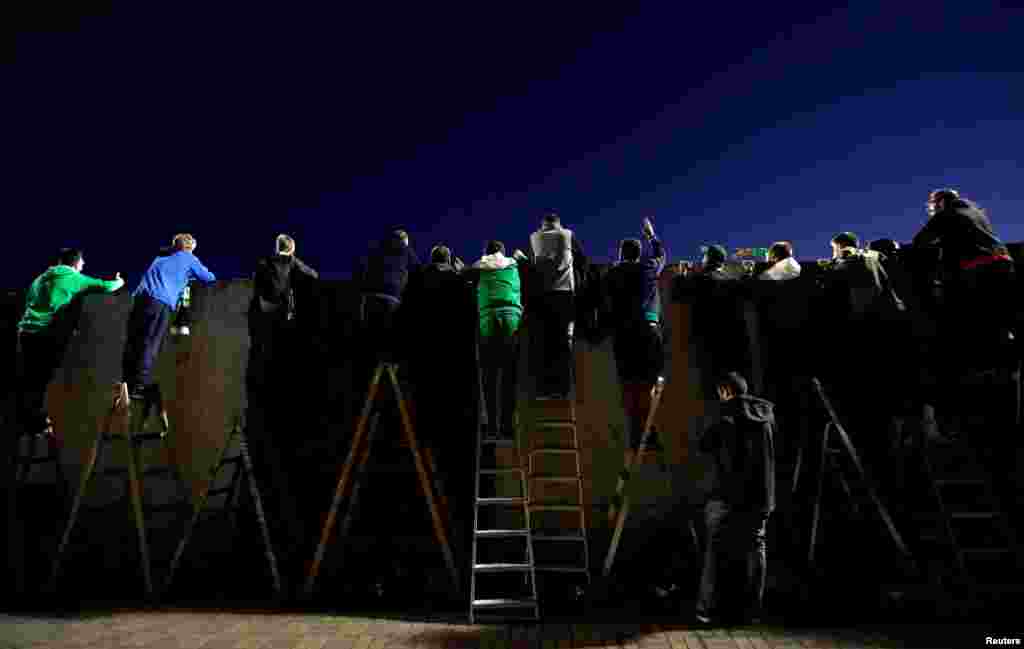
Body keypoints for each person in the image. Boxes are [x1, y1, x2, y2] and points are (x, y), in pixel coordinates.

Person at [696, 372, 775, 626]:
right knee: (756, 550)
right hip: (762, 496)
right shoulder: (766, 416)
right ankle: (752, 610)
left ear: (727, 391)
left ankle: (706, 610)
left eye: (721, 392)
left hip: (730, 497)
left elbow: (705, 444)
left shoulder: (727, 416)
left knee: (715, 551)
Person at [17, 248, 124, 434]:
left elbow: (29, 301)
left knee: (30, 377)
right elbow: (107, 286)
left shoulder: (40, 278)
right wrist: (120, 281)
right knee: (42, 379)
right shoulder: (74, 277)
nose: (83, 266)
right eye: (82, 262)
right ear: (75, 263)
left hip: (26, 332)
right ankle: (37, 423)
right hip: (45, 333)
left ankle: (27, 420)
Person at [912, 189, 1017, 372]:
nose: (933, 208)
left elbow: (921, 240)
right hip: (1002, 261)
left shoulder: (946, 212)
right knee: (999, 316)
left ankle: (987, 368)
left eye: (934, 205)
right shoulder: (976, 211)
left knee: (975, 318)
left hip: (978, 266)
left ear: (940, 202)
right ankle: (1009, 362)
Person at [122, 234, 216, 400]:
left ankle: (126, 382)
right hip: (160, 302)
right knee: (151, 343)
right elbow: (209, 277)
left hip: (140, 300)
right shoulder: (189, 259)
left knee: (135, 340)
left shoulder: (160, 258)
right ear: (190, 247)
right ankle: (139, 386)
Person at [603, 217, 666, 451]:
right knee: (649, 384)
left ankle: (635, 433)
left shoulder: (612, 273)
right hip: (648, 331)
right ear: (638, 254)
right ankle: (649, 432)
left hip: (623, 334)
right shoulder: (648, 268)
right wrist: (651, 235)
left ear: (621, 254)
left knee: (629, 386)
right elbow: (661, 253)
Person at [515, 209, 587, 399]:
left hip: (541, 296)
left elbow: (530, 267)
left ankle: (543, 390)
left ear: (543, 225)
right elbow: (582, 261)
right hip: (565, 295)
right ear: (559, 223)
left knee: (543, 343)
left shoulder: (533, 238)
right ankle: (562, 390)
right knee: (563, 343)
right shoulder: (568, 234)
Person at [246, 234, 319, 394]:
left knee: (262, 343)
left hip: (263, 306)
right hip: (281, 308)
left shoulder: (264, 261)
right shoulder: (291, 261)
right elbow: (313, 274)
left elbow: (256, 280)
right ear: (291, 248)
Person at [471, 240, 524, 440]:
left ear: (487, 252)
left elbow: (466, 273)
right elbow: (526, 262)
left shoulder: (481, 264)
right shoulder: (513, 263)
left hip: (488, 318)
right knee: (510, 375)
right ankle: (507, 427)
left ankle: (491, 427)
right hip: (511, 317)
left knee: (489, 375)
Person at [357, 227, 421, 365]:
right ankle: (390, 369)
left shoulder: (377, 248)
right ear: (405, 241)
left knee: (369, 338)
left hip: (368, 297)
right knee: (391, 337)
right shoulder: (404, 248)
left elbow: (363, 268)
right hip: (390, 297)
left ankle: (368, 371)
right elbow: (418, 271)